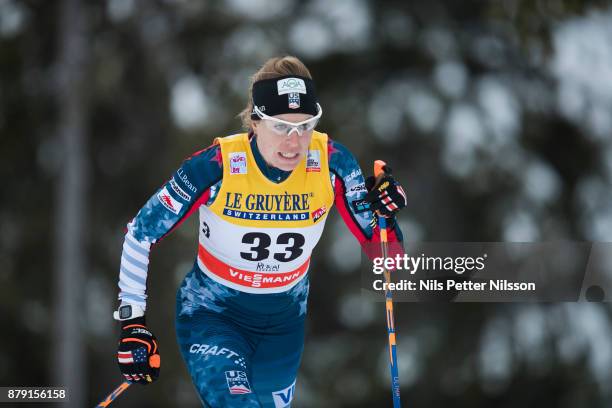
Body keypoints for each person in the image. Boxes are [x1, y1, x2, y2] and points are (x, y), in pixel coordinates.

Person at [113, 55, 407, 407]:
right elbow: (141, 232)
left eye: (305, 126)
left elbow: (387, 260)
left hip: (283, 326)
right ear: (255, 121)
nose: (294, 142)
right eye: (281, 126)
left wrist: (386, 212)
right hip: (213, 314)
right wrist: (133, 322)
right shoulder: (216, 166)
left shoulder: (332, 163)